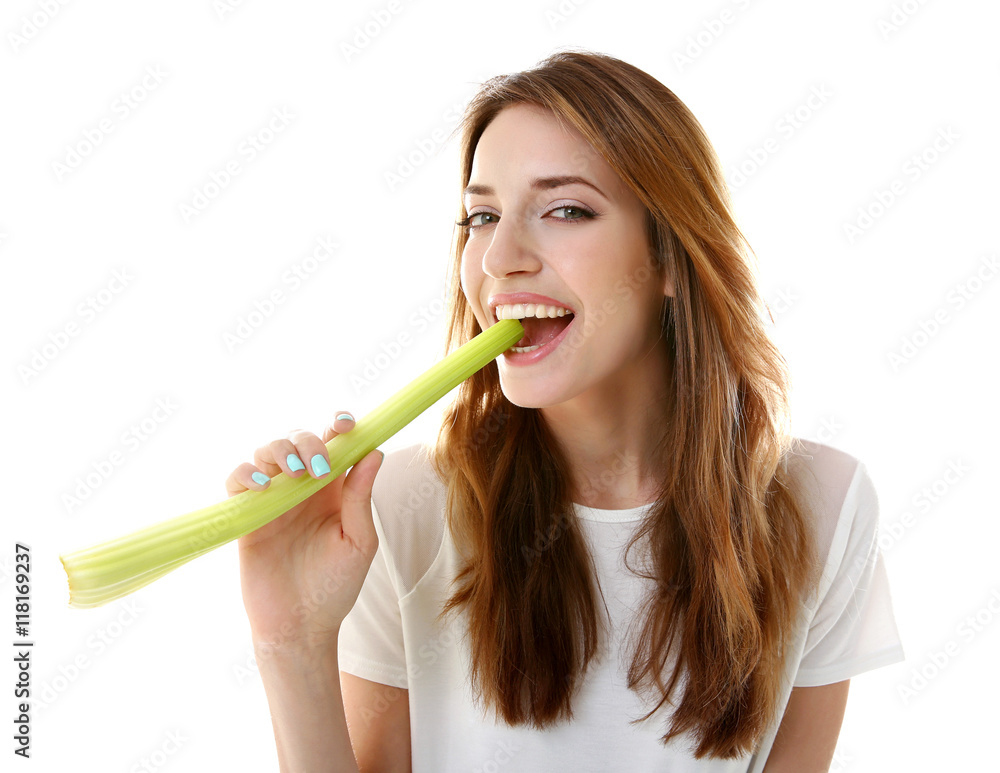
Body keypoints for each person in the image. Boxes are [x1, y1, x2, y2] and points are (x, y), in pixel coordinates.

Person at [226, 49, 905, 772]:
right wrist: (290, 641)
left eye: (566, 209)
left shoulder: (825, 504)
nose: (498, 259)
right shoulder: (399, 510)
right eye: (481, 215)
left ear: (672, 257)